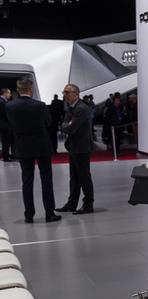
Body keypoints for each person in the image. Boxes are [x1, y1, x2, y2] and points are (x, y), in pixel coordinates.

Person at [5, 78, 60, 223]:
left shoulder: (9, 106)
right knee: (46, 179)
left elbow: (10, 123)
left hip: (22, 146)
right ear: (30, 90)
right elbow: (48, 122)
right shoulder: (40, 105)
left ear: (18, 90)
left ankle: (29, 215)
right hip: (42, 145)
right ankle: (49, 213)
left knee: (27, 180)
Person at [58, 84, 95, 214]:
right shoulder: (72, 108)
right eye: (64, 92)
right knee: (74, 178)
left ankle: (88, 204)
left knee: (84, 177)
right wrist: (66, 125)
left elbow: (70, 128)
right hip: (74, 147)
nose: (65, 95)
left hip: (82, 148)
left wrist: (66, 125)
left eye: (67, 92)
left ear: (76, 93)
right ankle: (72, 203)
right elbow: (65, 124)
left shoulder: (81, 109)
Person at [0, 87, 14, 162]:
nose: (10, 95)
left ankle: (6, 155)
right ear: (5, 93)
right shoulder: (1, 102)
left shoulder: (3, 101)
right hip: (5, 125)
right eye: (9, 93)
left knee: (6, 141)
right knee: (6, 141)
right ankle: (6, 157)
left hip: (4, 125)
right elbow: (6, 114)